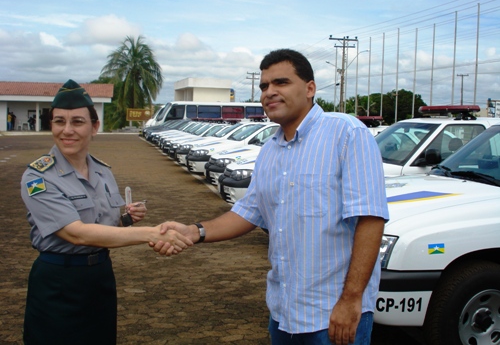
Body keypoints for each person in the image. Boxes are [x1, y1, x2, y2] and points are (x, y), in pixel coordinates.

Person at [152, 49, 390, 345]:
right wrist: (194, 231)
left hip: (333, 315)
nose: (269, 92)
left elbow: (370, 218)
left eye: (281, 83)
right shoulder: (270, 150)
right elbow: (248, 212)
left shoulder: (346, 134)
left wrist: (352, 300)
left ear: (310, 88)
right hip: (283, 313)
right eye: (264, 86)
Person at [20, 79, 192, 345]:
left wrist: (126, 220)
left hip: (100, 278)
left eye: (77, 122)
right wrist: (152, 233)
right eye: (59, 122)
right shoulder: (38, 177)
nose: (67, 130)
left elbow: (103, 226)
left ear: (94, 127)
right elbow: (76, 233)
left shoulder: (103, 171)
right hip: (58, 282)